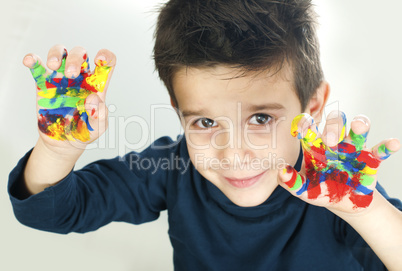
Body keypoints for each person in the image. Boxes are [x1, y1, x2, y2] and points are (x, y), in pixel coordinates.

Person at [8, 0, 402, 270]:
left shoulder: (335, 188)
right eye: (206, 123)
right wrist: (57, 149)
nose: (233, 154)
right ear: (178, 110)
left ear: (312, 106)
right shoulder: (170, 168)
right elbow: (52, 211)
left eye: (261, 118)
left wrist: (365, 213)